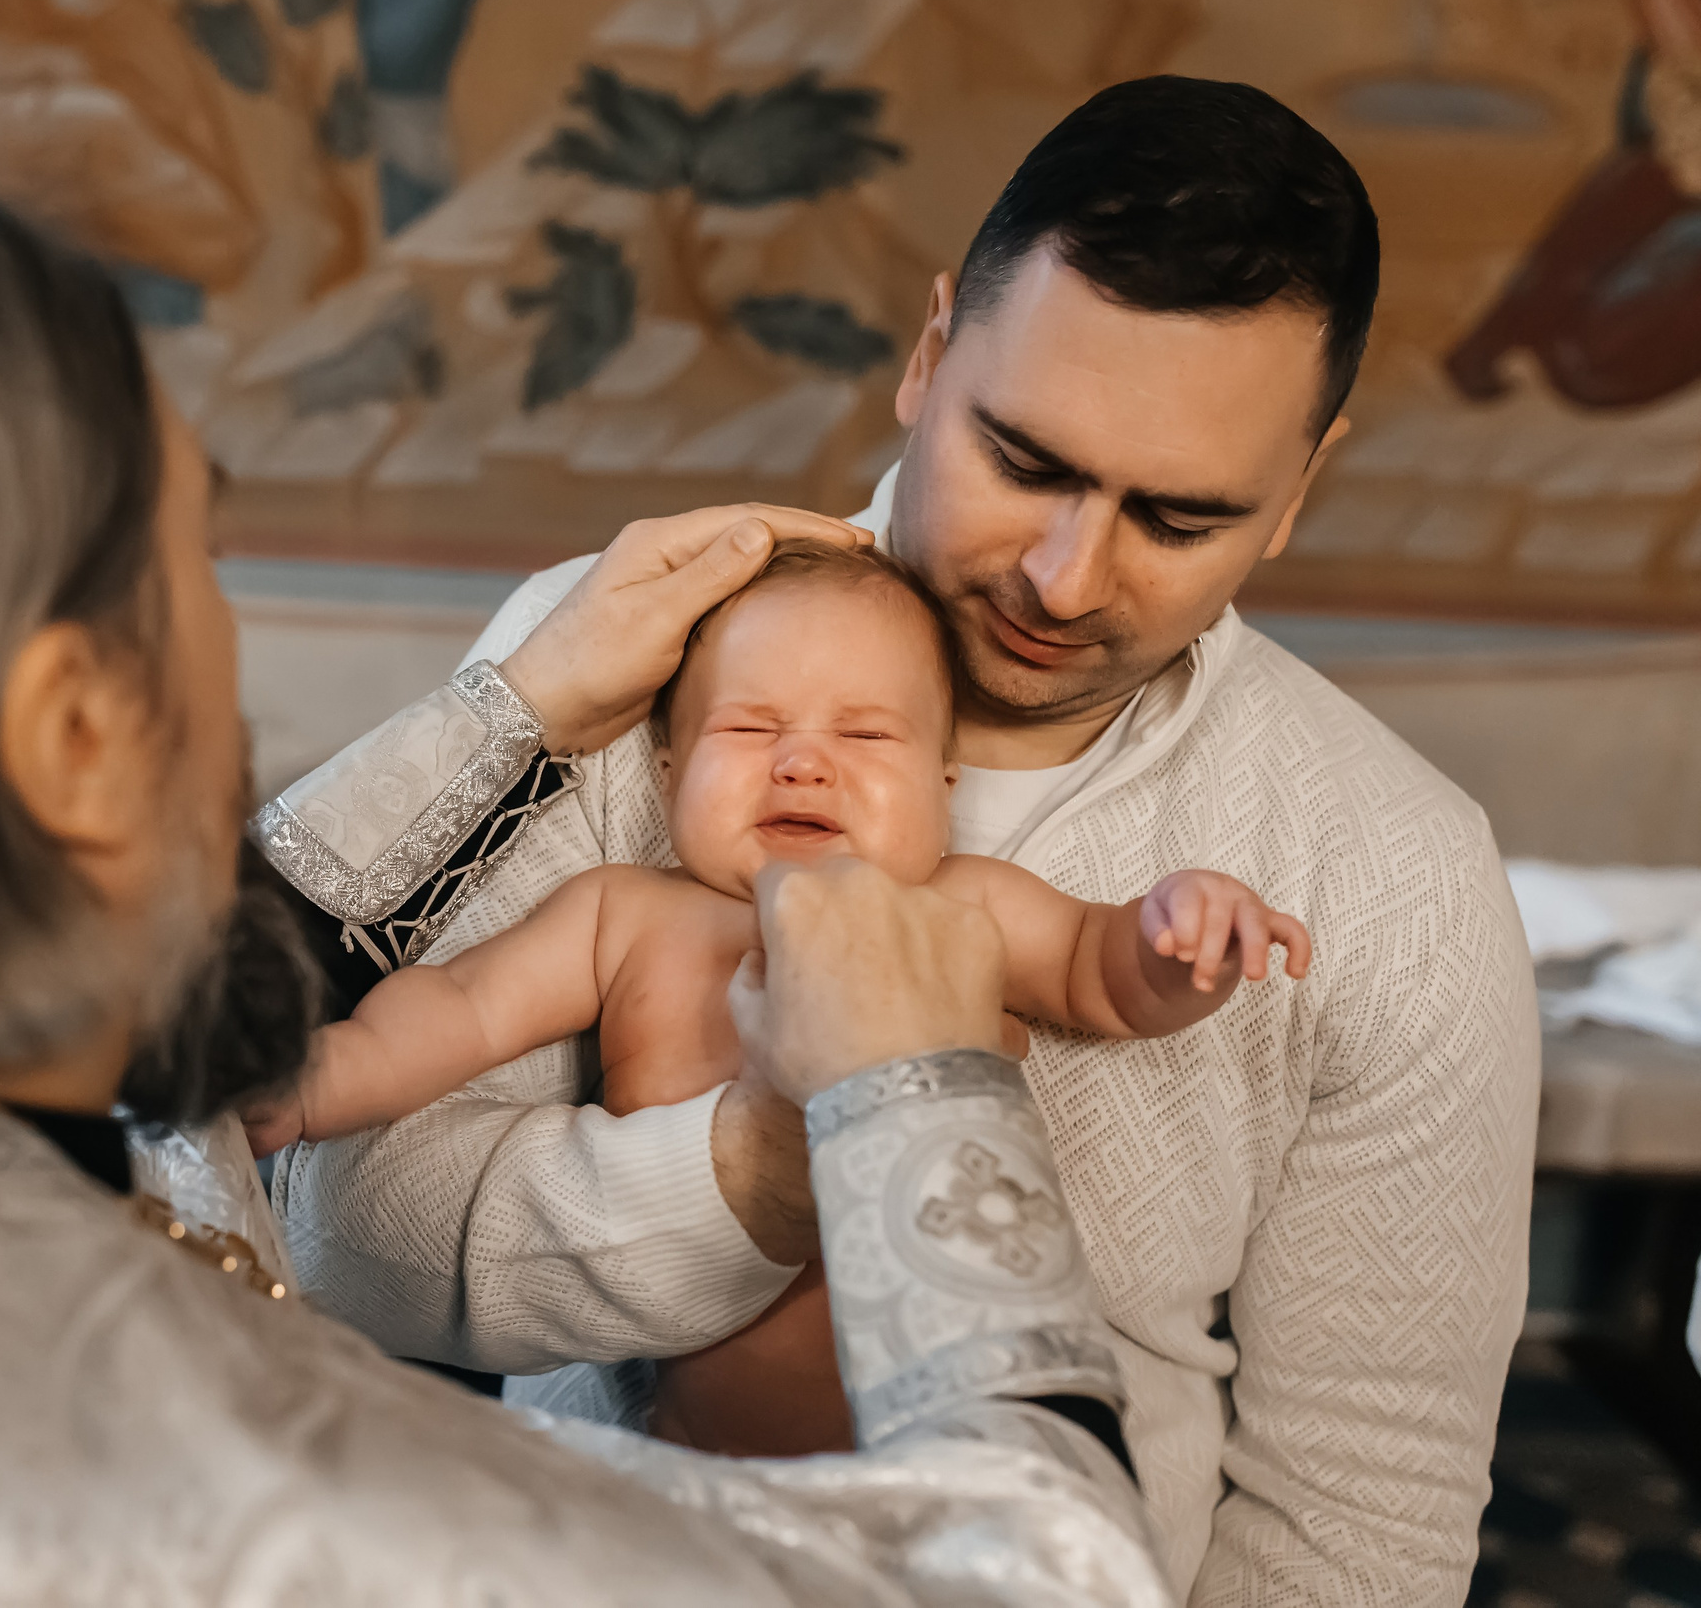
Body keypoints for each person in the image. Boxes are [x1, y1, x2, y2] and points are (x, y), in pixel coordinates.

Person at [0, 131, 1173, 1602]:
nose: (222, 639)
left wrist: (522, 703)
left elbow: (208, 1030)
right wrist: (910, 1089)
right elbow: (1044, 1576)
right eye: (193, 559)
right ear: (73, 732)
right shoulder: (286, 1523)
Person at [259, 75, 1541, 1603]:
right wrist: (753, 1172)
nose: (1067, 578)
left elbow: (1364, 1498)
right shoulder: (613, 669)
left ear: (1297, 493)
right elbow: (350, 1244)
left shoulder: (1400, 870)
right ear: (930, 356)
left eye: (1177, 518)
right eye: (1028, 461)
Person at [248, 540, 1310, 1458]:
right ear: (668, 778)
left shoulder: (954, 905)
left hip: (953, 1448)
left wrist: (1178, 938)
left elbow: (1097, 967)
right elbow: (461, 1010)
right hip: (694, 1459)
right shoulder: (624, 915)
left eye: (865, 737)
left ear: (945, 785)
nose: (804, 764)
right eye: (752, 732)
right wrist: (318, 1081)